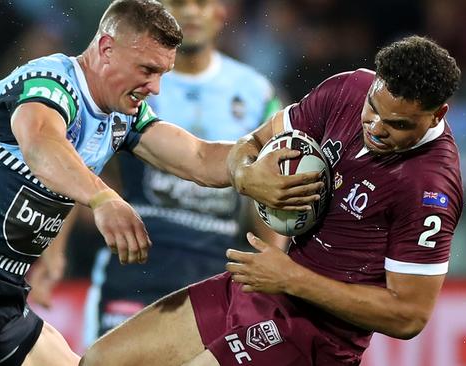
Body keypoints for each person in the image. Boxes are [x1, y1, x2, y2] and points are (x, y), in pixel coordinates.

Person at [0, 1, 321, 365]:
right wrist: (103, 197)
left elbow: (198, 157)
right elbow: (40, 142)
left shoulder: (119, 115)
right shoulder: (49, 82)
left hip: (6, 298)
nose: (155, 86)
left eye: (164, 73)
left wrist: (250, 165)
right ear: (106, 48)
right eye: (147, 69)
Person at [80, 35, 463, 366]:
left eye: (397, 125)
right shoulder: (348, 89)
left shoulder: (430, 187)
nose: (376, 128)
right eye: (374, 110)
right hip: (261, 288)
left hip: (314, 335)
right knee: (102, 359)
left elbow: (408, 316)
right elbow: (255, 141)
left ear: (436, 115)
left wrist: (294, 278)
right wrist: (247, 174)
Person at [28, 0, 283, 342]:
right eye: (179, 3)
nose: (191, 13)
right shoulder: (127, 81)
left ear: (220, 15)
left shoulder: (258, 93)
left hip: (216, 266)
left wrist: (276, 261)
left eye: (201, 4)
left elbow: (266, 190)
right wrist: (54, 252)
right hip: (136, 260)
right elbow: (79, 161)